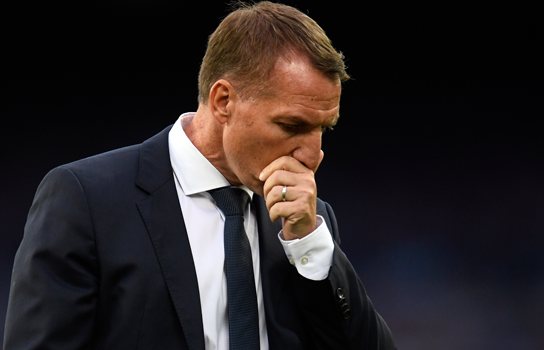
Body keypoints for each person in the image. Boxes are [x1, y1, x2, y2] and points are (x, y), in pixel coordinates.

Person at [4, 2, 395, 350]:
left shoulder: (305, 223)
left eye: (323, 129)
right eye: (291, 125)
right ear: (223, 101)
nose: (313, 155)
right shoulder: (86, 199)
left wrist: (309, 244)